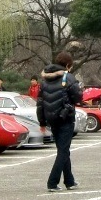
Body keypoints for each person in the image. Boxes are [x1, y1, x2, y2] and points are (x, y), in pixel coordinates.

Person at [37, 51, 83, 192]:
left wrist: (42, 122)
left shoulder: (44, 81)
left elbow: (40, 103)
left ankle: (69, 181)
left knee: (63, 149)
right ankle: (52, 182)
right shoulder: (68, 78)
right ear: (68, 65)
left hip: (51, 118)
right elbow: (77, 98)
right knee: (63, 151)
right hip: (65, 118)